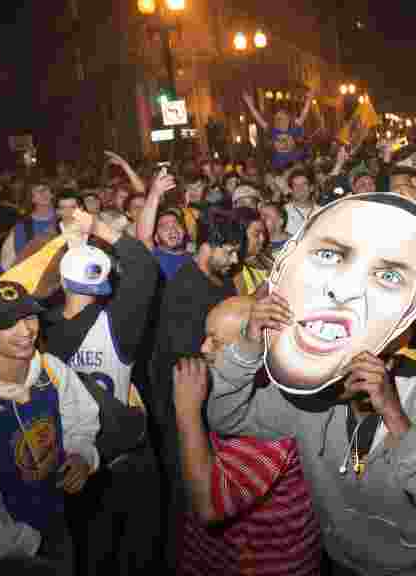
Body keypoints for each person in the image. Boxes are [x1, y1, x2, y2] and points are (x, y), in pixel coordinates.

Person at [205, 280, 416, 575]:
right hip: (341, 560)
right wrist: (248, 345)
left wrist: (394, 416)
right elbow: (226, 416)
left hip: (413, 568)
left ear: (386, 360)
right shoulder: (310, 399)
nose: (331, 369)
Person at [0, 280, 100, 573]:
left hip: (56, 524)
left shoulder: (50, 370)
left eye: (29, 316)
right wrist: (28, 545)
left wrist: (81, 455)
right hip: (2, 555)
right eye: (7, 323)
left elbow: (83, 417)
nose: (25, 331)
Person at [40, 209, 159, 576]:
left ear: (63, 282)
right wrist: (97, 228)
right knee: (132, 553)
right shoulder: (118, 323)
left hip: (66, 463)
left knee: (86, 555)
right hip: (122, 458)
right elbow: (144, 267)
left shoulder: (34, 331)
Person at [172, 297, 322, 575]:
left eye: (217, 342)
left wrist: (187, 412)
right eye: (206, 337)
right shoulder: (229, 393)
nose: (204, 348)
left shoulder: (270, 423)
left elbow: (209, 506)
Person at [262, 193, 416, 394]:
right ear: (282, 262)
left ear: (412, 309)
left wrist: (389, 411)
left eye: (389, 276)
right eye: (328, 255)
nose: (344, 291)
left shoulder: (410, 396)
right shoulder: (233, 330)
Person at [150, 212, 242, 570]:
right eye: (230, 252)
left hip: (210, 407)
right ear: (208, 246)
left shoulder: (221, 281)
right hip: (183, 409)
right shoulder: (184, 289)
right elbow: (187, 361)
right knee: (189, 496)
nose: (235, 261)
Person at [136, 173, 192, 281]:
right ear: (156, 238)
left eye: (176, 224)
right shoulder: (155, 258)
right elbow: (144, 237)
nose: (172, 229)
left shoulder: (195, 259)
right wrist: (155, 193)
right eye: (164, 227)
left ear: (184, 232)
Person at [0, 182, 56, 271]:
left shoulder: (64, 216)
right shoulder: (23, 225)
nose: (43, 194)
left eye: (45, 189)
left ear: (51, 194)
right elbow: (22, 256)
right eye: (38, 191)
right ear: (32, 199)